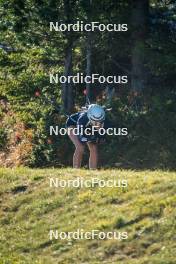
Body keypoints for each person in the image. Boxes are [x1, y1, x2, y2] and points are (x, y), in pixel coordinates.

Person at [66, 104, 110, 169]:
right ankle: (76, 170)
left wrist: (98, 139)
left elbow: (102, 137)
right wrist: (91, 138)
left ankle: (93, 171)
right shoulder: (82, 120)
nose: (98, 125)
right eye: (96, 122)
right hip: (73, 124)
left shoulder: (104, 120)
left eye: (100, 122)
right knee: (80, 147)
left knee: (94, 148)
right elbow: (82, 138)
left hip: (88, 127)